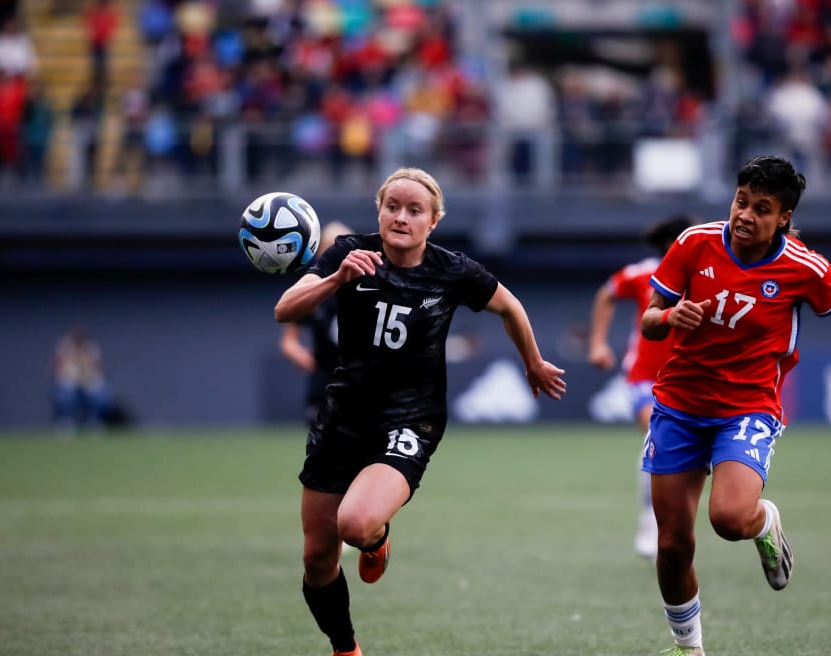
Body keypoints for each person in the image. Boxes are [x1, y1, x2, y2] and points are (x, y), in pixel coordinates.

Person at [273, 167, 567, 656]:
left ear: (433, 222)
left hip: (410, 419)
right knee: (317, 558)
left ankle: (376, 537)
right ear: (379, 211)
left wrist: (533, 363)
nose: (401, 217)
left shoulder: (453, 270)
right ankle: (346, 648)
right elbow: (286, 308)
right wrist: (337, 279)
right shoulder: (348, 253)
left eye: (414, 210)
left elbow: (510, 307)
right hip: (342, 417)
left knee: (355, 523)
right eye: (393, 207)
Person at [638, 155, 831, 655]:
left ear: (783, 217)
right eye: (741, 201)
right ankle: (689, 649)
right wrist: (672, 315)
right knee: (673, 546)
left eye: (761, 208)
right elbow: (649, 321)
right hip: (678, 405)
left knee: (728, 519)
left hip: (747, 408)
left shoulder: (804, 267)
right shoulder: (694, 242)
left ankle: (764, 522)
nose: (745, 215)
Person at [588, 214, 696, 560]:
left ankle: (675, 520)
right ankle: (650, 519)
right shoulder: (642, 273)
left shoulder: (706, 276)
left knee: (688, 455)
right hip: (645, 377)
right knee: (657, 435)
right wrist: (597, 343)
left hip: (691, 378)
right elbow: (606, 294)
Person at [280, 221, 352, 425]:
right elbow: (288, 340)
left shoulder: (369, 287)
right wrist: (301, 356)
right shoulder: (311, 293)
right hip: (324, 382)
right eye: (330, 248)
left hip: (360, 382)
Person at [51, 326, 114, 432]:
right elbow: (57, 368)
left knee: (100, 395)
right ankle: (65, 423)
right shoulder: (65, 347)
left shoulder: (91, 348)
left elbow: (98, 369)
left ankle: (95, 423)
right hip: (70, 381)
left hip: (87, 381)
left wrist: (87, 375)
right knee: (65, 396)